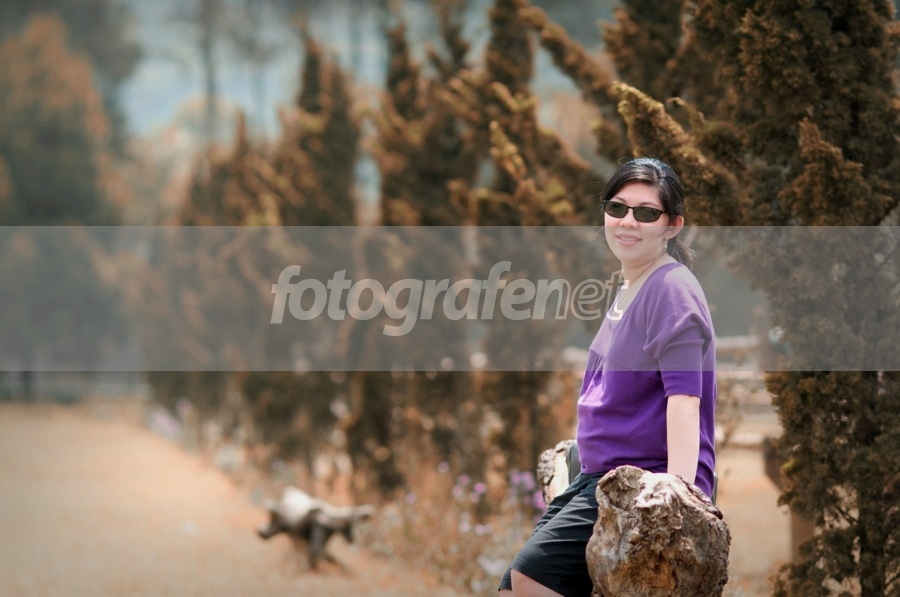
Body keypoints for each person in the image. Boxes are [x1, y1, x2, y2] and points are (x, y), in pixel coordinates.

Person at [498, 158, 717, 596]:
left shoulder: (671, 290)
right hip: (597, 477)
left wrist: (673, 498)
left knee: (529, 581)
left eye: (646, 213)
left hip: (640, 482)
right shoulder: (632, 285)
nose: (628, 221)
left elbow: (684, 400)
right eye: (617, 208)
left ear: (672, 226)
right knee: (512, 586)